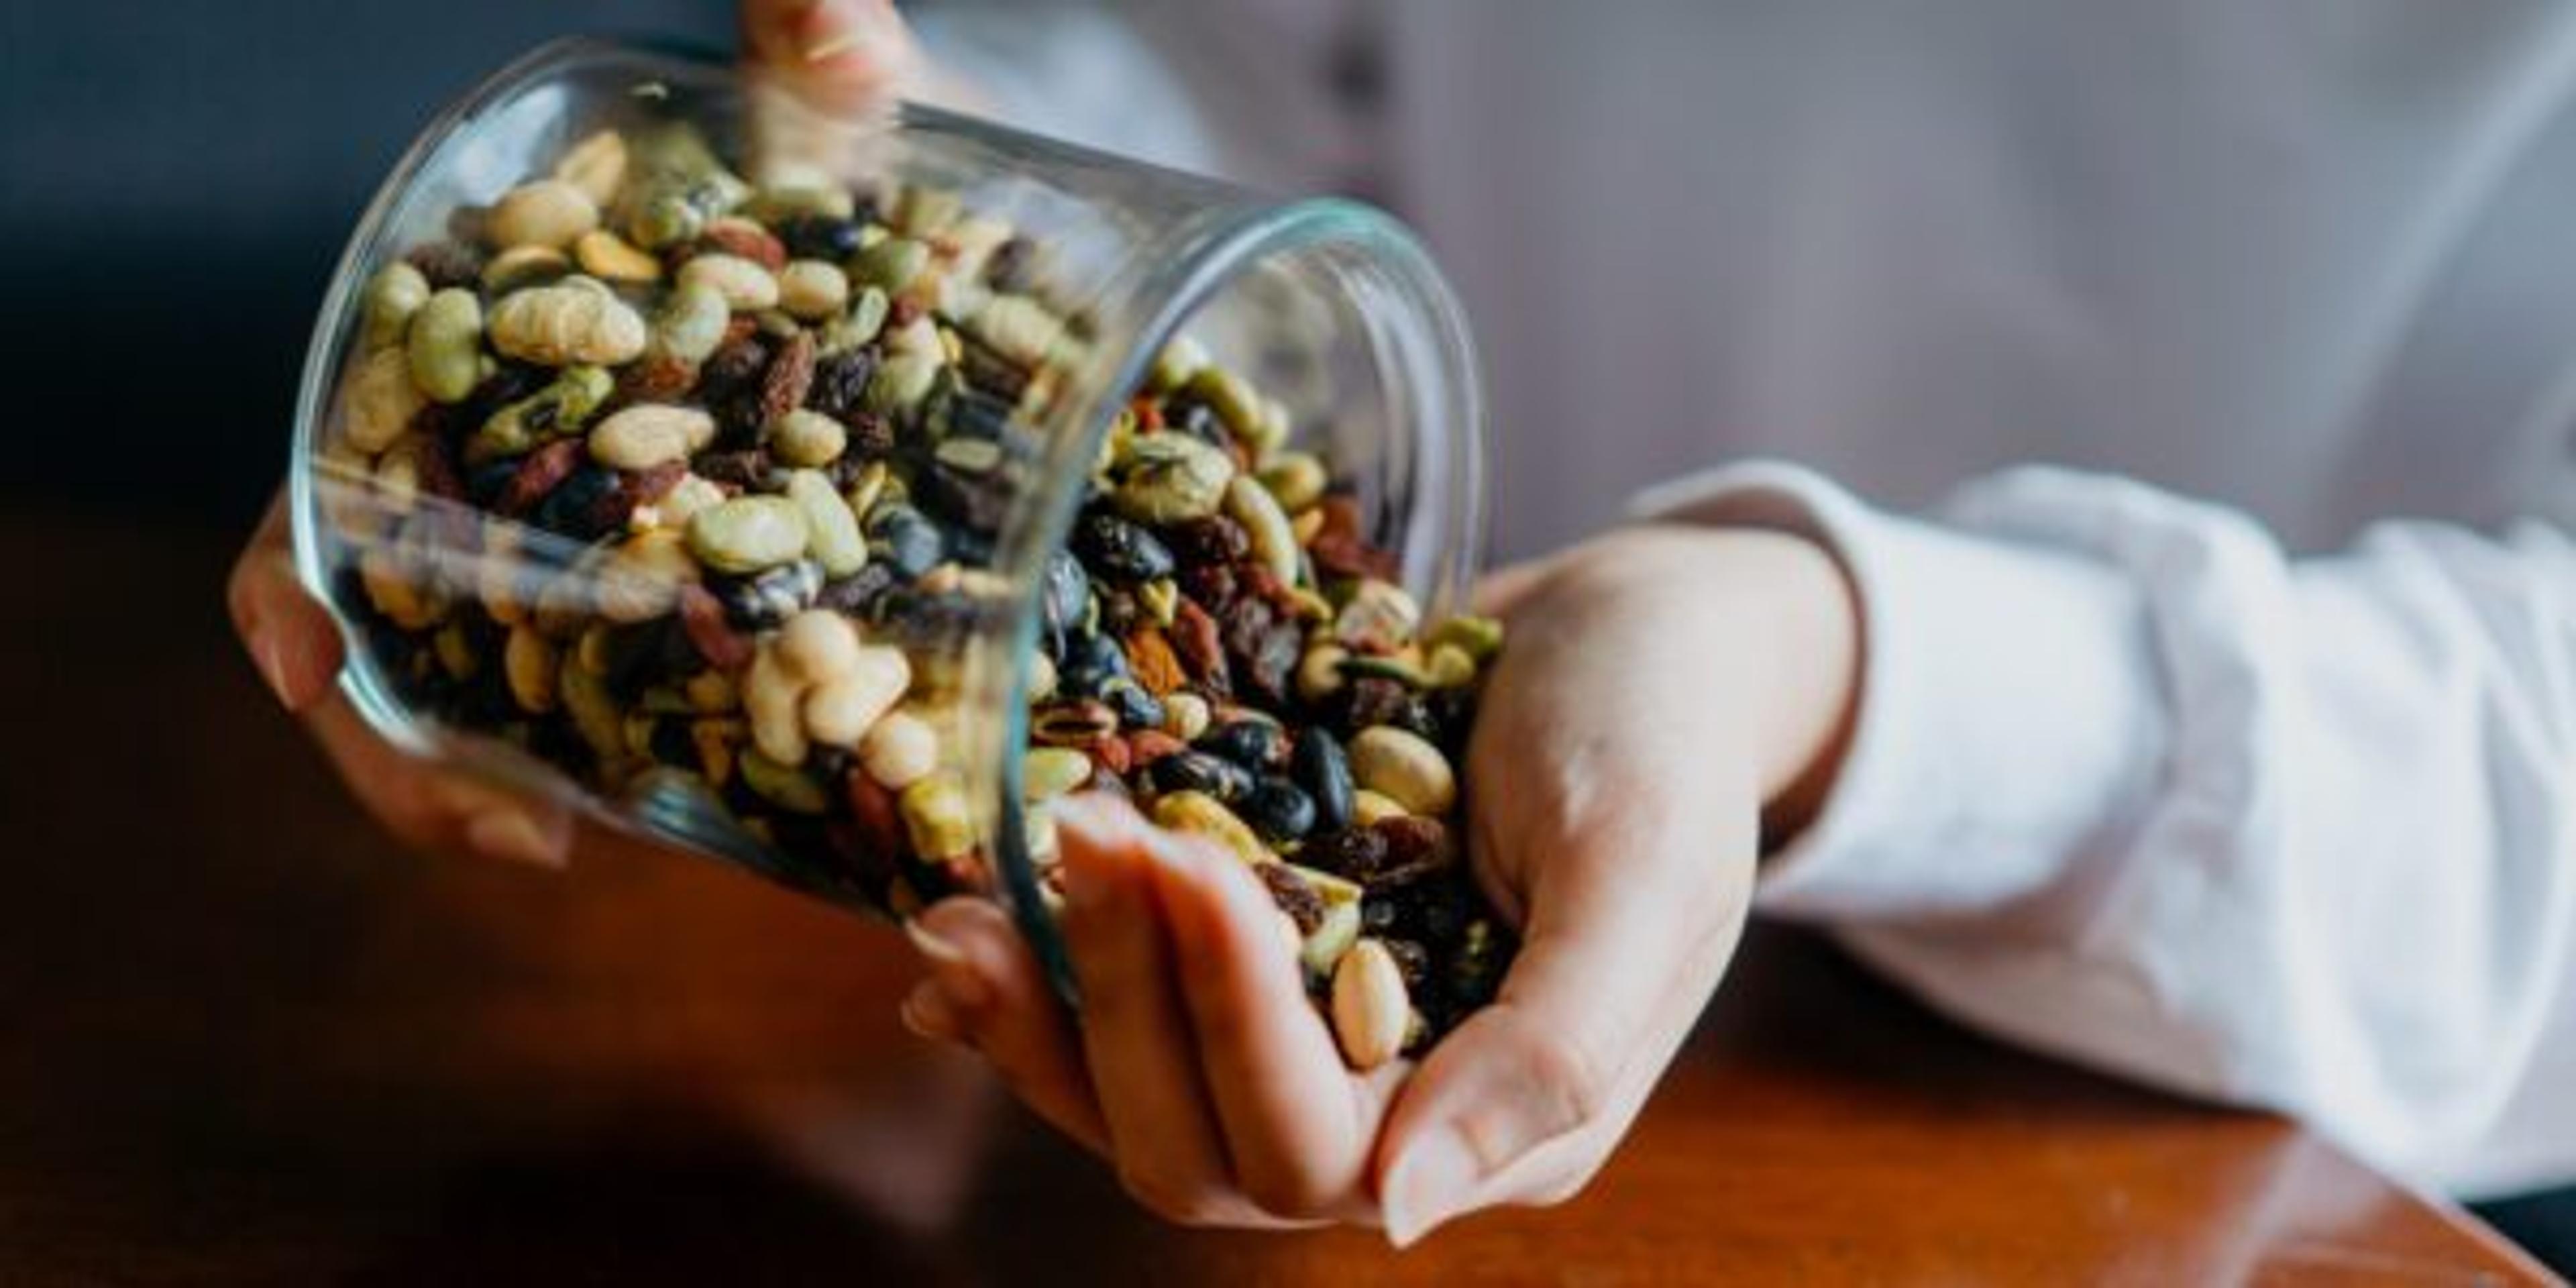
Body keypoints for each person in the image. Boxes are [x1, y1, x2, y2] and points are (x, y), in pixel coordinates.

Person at [230, 0, 2576, 1254]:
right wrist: (966, 184)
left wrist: (1826, 661)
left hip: (2197, 1168)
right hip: (1416, 771)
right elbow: (1253, 67)